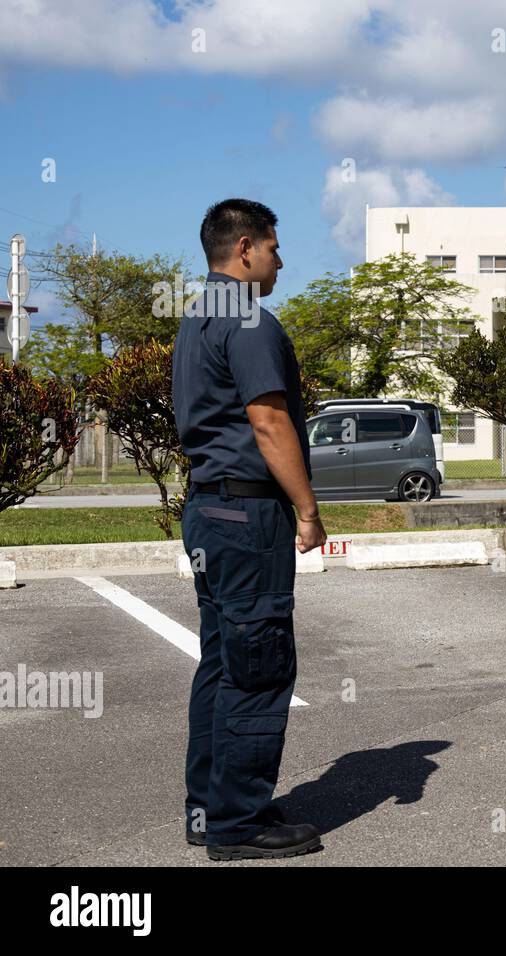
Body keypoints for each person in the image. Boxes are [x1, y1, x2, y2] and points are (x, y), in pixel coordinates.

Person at [173, 198, 326, 860]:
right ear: (243, 250)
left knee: (222, 661)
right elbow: (268, 421)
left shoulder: (195, 316)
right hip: (246, 514)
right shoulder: (250, 321)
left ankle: (211, 807)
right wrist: (309, 509)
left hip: (208, 509)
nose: (279, 259)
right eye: (273, 247)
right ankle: (238, 824)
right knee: (258, 663)